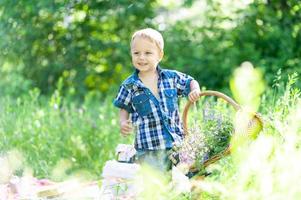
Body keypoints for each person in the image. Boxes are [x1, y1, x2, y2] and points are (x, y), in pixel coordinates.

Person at [113, 28, 201, 172]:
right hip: (148, 149)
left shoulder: (171, 77)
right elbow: (124, 108)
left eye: (148, 53)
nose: (141, 57)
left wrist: (195, 90)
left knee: (192, 173)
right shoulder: (129, 85)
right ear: (131, 54)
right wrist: (123, 123)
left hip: (177, 143)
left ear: (159, 55)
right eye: (136, 53)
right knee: (158, 185)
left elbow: (190, 81)